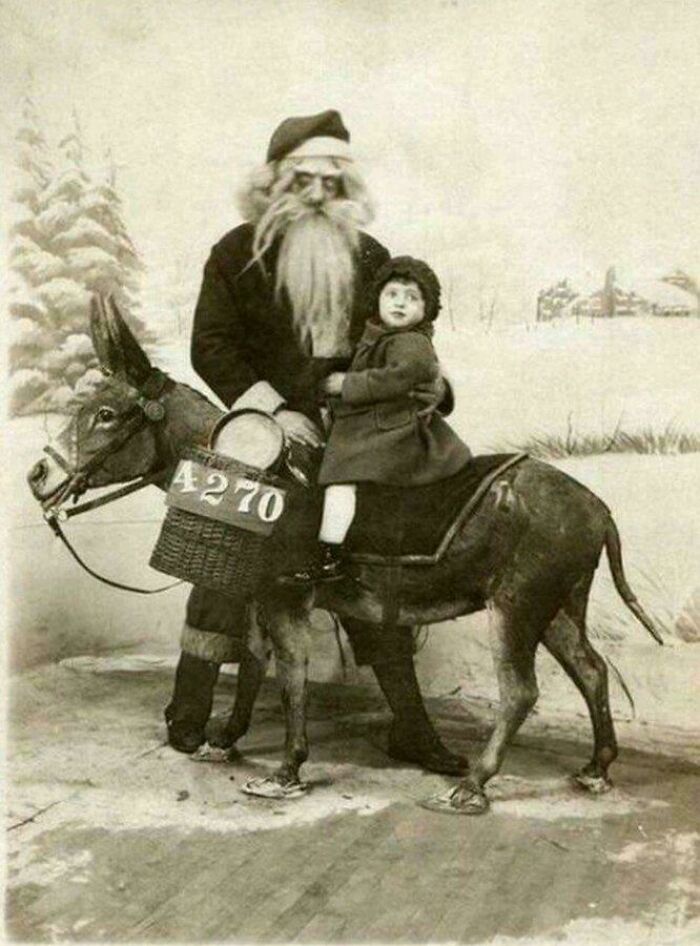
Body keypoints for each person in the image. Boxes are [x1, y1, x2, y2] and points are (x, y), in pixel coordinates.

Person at [165, 110, 467, 775]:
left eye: (332, 181)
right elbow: (210, 346)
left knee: (370, 566)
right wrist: (276, 409)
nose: (318, 193)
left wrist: (429, 387)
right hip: (262, 426)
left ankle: (410, 728)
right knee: (222, 548)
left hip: (357, 434)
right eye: (303, 178)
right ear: (273, 181)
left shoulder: (372, 258)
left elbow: (406, 341)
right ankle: (189, 711)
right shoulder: (235, 253)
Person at [284, 256, 471, 584]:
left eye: (412, 298)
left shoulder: (411, 342)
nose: (400, 303)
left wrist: (347, 385)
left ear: (426, 309)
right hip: (381, 423)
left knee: (341, 481)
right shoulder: (381, 336)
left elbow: (401, 376)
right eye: (392, 294)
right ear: (378, 299)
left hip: (394, 428)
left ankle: (331, 554)